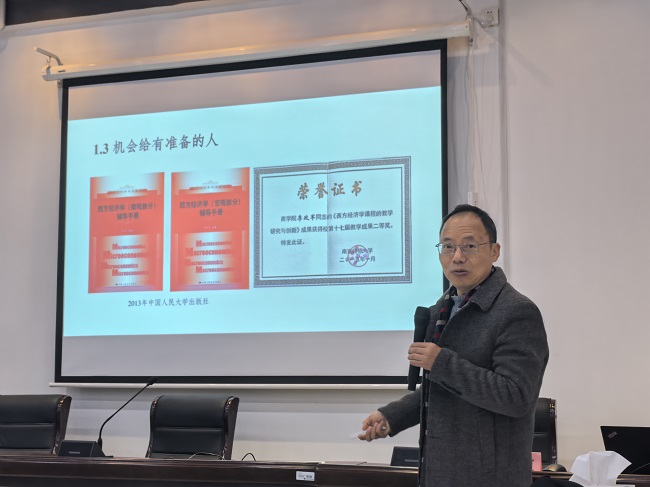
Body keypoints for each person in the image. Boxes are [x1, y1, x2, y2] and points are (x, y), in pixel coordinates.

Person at [359, 204, 549, 487]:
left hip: (490, 478)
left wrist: (442, 362)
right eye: (448, 247)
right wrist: (391, 416)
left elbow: (516, 397)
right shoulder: (442, 309)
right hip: (439, 473)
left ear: (494, 251)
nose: (457, 257)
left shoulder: (517, 311)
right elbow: (441, 390)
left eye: (469, 246)